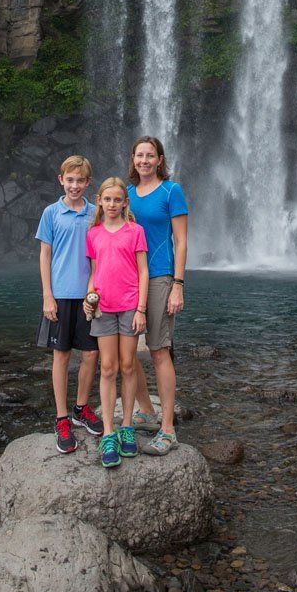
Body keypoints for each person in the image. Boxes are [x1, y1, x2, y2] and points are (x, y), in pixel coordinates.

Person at [35, 154, 103, 454]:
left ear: (88, 183)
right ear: (61, 179)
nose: (74, 185)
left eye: (80, 180)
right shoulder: (51, 212)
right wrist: (47, 295)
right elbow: (44, 255)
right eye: (69, 180)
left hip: (88, 295)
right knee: (61, 356)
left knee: (90, 355)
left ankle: (81, 408)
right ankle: (61, 418)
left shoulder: (95, 213)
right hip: (60, 295)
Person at [127, 136, 188, 456]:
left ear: (160, 159)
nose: (145, 160)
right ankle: (146, 412)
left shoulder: (171, 191)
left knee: (159, 350)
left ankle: (168, 429)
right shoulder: (124, 195)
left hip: (161, 276)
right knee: (127, 351)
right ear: (133, 159)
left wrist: (178, 284)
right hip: (128, 280)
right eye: (140, 155)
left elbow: (181, 241)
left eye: (151, 155)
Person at [84, 177, 148, 469]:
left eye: (117, 200)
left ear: (125, 203)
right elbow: (94, 273)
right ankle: (108, 431)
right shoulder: (94, 234)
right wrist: (89, 297)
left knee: (127, 365)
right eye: (107, 199)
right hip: (104, 308)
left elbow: (143, 272)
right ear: (99, 200)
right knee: (107, 368)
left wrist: (141, 309)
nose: (112, 204)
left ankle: (127, 427)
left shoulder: (135, 231)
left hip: (129, 307)